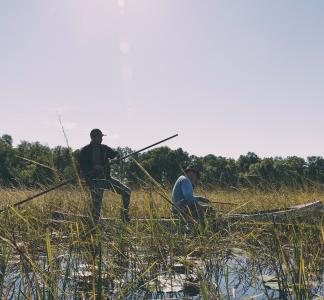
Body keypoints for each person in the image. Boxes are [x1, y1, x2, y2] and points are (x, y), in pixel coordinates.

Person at [79, 129, 131, 224]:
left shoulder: (104, 148)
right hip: (94, 181)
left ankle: (125, 216)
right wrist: (94, 167)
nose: (102, 139)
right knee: (96, 207)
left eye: (101, 137)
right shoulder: (85, 151)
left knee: (126, 191)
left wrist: (116, 158)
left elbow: (114, 154)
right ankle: (94, 226)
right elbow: (82, 167)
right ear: (94, 137)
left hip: (107, 179)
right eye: (100, 137)